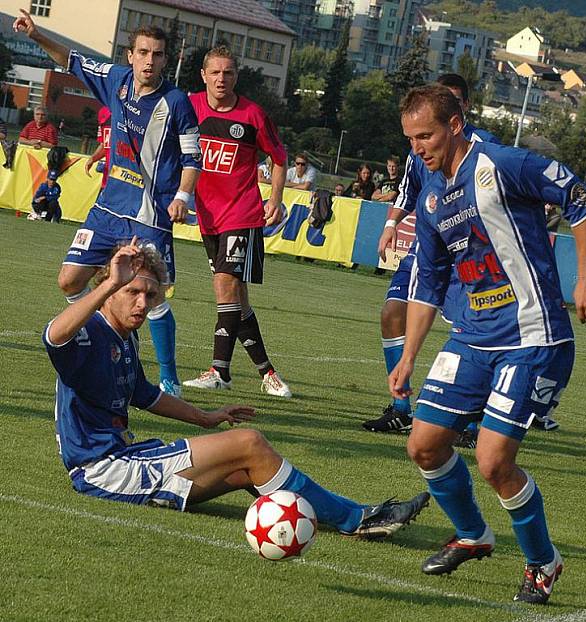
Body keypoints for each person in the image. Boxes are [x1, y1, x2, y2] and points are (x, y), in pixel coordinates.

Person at [43, 240, 430, 536]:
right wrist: (111, 281)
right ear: (110, 290)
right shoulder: (92, 330)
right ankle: (356, 519)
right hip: (104, 469)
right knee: (249, 443)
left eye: (151, 294)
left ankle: (356, 517)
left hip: (128, 456)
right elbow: (53, 336)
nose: (143, 303)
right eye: (132, 292)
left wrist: (206, 418)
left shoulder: (125, 337)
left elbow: (145, 394)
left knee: (250, 469)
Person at [391, 84, 586, 604]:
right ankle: (473, 534)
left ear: (456, 124)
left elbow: (580, 196)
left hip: (532, 336)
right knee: (423, 444)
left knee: (492, 460)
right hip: (471, 337)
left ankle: (542, 563)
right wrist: (409, 356)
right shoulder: (432, 196)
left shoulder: (502, 164)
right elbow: (429, 281)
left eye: (427, 135)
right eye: (411, 139)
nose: (418, 148)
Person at [13, 10, 201, 398]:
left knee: (151, 292)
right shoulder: (115, 80)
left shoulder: (177, 102)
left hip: (150, 214)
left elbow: (192, 157)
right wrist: (35, 34)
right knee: (69, 279)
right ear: (129, 55)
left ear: (166, 60)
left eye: (158, 54)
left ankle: (168, 378)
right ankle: (98, 343)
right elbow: (71, 60)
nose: (150, 60)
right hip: (108, 208)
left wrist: (183, 195)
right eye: (144, 52)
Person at [363, 73, 502, 444]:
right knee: (392, 312)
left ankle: (471, 424)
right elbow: (409, 189)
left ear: (462, 110)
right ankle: (400, 409)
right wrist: (391, 223)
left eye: (450, 100)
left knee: (473, 333)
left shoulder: (486, 147)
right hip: (426, 246)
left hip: (469, 252)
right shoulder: (418, 148)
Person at [182, 46, 291, 397]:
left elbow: (278, 157)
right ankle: (268, 372)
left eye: (228, 73)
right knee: (238, 300)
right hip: (208, 218)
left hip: (242, 213)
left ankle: (220, 370)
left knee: (225, 285)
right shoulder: (190, 106)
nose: (221, 79)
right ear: (203, 74)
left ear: (236, 76)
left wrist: (274, 198)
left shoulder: (253, 114)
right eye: (215, 72)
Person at [84, 106, 111, 188]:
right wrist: (93, 158)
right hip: (108, 176)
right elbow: (105, 144)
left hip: (127, 176)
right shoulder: (104, 111)